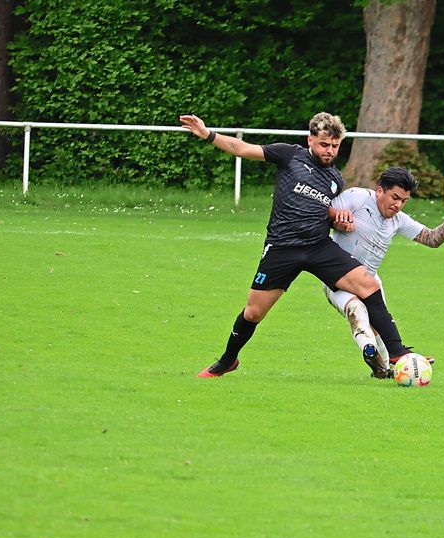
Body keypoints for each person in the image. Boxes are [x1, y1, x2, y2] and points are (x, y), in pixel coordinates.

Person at [178, 111, 418, 378]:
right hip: (282, 248)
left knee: (369, 284)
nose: (329, 151)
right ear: (310, 140)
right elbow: (242, 148)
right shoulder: (289, 155)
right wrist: (208, 134)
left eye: (335, 146)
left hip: (317, 246)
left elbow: (327, 212)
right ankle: (227, 360)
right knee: (253, 312)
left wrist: (339, 220)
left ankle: (397, 353)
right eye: (324, 144)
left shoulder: (336, 180)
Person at [325, 167, 444, 361]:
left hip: (370, 283)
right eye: (395, 197)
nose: (398, 205)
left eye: (404, 201)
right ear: (380, 191)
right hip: (338, 278)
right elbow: (321, 211)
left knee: (382, 331)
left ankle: (392, 366)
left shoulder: (399, 220)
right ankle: (370, 351)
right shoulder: (357, 197)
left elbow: (432, 239)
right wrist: (337, 221)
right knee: (358, 311)